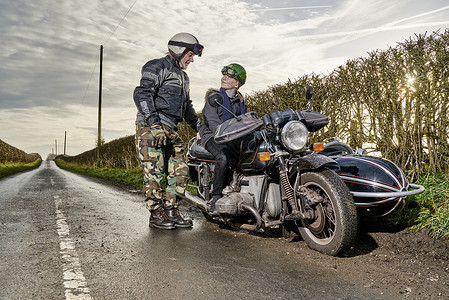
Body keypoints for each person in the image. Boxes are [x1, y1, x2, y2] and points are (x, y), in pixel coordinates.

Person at [133, 32, 203, 229]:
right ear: (180, 50)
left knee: (180, 168)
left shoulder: (184, 77)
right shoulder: (156, 66)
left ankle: (171, 211)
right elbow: (142, 94)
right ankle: (156, 214)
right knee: (154, 170)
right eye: (190, 55)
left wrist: (199, 128)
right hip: (150, 127)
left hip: (171, 128)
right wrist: (154, 125)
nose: (191, 60)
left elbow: (187, 107)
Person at [198, 63, 247, 212]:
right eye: (223, 75)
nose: (224, 78)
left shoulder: (240, 101)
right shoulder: (215, 97)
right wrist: (223, 133)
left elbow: (243, 121)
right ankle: (216, 197)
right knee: (223, 157)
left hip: (230, 137)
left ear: (237, 83)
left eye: (229, 76)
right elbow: (211, 120)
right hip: (211, 135)